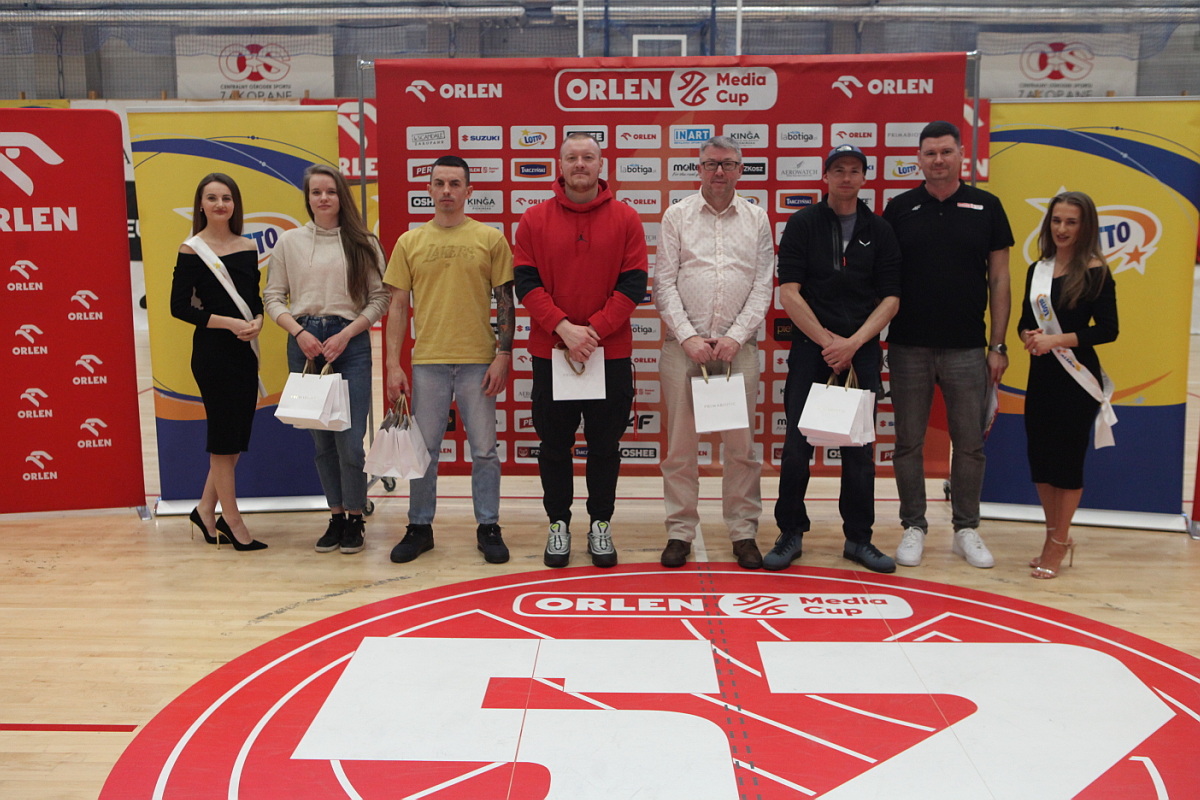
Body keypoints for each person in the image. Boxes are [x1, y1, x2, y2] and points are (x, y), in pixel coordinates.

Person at [883, 121, 1014, 569]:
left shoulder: (988, 206)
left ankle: (966, 529)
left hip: (967, 348)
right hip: (908, 346)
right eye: (930, 153)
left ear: (961, 154)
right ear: (918, 159)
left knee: (970, 444)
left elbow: (1000, 279)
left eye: (946, 152)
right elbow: (884, 278)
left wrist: (997, 345)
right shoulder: (899, 209)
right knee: (908, 443)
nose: (938, 160)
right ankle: (913, 526)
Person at [513, 133, 648, 568]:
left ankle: (600, 524)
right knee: (554, 446)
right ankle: (558, 524)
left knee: (605, 446)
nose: (580, 164)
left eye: (588, 157)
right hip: (552, 352)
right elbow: (526, 283)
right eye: (572, 157)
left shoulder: (627, 218)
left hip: (609, 355)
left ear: (600, 164)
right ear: (560, 165)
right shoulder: (533, 219)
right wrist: (564, 329)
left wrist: (593, 332)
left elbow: (633, 285)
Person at [766, 144, 902, 573]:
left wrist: (853, 344)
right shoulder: (803, 223)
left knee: (859, 451)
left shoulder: (879, 229)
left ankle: (859, 539)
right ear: (825, 176)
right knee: (797, 448)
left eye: (854, 170)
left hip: (861, 353)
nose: (846, 177)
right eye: (838, 170)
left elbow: (891, 298)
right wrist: (828, 342)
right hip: (812, 350)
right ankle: (790, 532)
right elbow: (789, 292)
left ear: (864, 177)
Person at [383, 155, 515, 565]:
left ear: (468, 191)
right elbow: (397, 307)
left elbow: (505, 301)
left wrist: (504, 353)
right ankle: (419, 527)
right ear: (428, 190)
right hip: (429, 361)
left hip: (479, 360)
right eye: (439, 183)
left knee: (485, 451)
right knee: (424, 449)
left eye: (455, 184)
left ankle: (488, 526)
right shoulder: (409, 242)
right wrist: (392, 364)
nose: (446, 191)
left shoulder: (490, 239)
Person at [654, 136, 774, 569]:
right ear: (699, 168)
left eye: (727, 164)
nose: (719, 172)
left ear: (741, 170)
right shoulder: (677, 215)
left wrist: (735, 336)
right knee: (680, 449)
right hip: (683, 349)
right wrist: (688, 336)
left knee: (741, 450)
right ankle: (680, 531)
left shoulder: (757, 219)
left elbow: (763, 285)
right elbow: (663, 283)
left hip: (737, 350)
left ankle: (743, 532)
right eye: (710, 164)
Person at [264, 164, 388, 554]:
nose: (323, 198)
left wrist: (347, 334)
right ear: (308, 198)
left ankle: (355, 517)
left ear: (341, 197)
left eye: (330, 191)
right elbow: (273, 297)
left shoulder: (364, 242)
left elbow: (379, 298)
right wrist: (299, 332)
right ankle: (335, 517)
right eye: (316, 192)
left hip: (350, 345)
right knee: (323, 444)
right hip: (305, 347)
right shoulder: (289, 242)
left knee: (350, 443)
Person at [1019, 191, 1118, 579]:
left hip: (1077, 379)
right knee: (1041, 461)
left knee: (1067, 463)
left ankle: (1058, 544)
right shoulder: (1037, 270)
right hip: (1042, 375)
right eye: (1056, 221)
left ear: (1085, 226)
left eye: (1071, 222)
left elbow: (1108, 330)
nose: (1061, 229)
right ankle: (1053, 535)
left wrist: (1056, 340)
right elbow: (1026, 321)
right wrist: (1029, 335)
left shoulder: (1096, 271)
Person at [170, 172, 267, 551]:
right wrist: (228, 323)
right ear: (201, 205)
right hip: (213, 354)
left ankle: (205, 510)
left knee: (235, 438)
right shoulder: (191, 249)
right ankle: (233, 521)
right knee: (224, 440)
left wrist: (257, 321)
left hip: (245, 352)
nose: (220, 204)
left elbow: (253, 298)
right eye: (212, 198)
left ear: (234, 204)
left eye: (226, 198)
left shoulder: (247, 246)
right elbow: (179, 307)